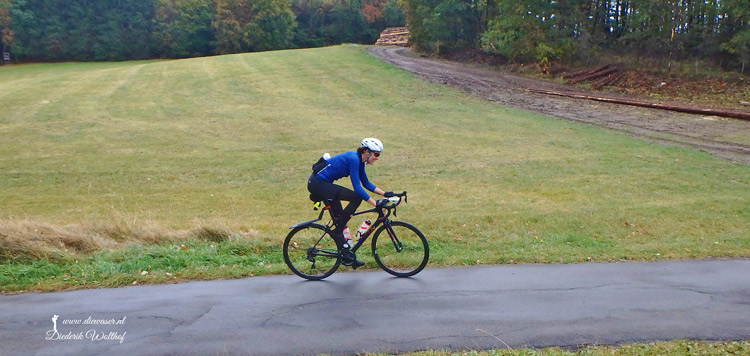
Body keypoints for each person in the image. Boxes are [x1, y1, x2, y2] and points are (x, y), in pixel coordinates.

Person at [307, 138, 394, 267]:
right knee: (356, 198)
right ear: (366, 151)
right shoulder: (354, 159)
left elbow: (366, 183)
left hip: (323, 184)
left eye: (378, 155)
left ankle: (347, 256)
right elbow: (357, 188)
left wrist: (385, 193)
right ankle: (339, 231)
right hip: (318, 184)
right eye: (376, 154)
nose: (377, 158)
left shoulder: (360, 161)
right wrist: (375, 204)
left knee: (340, 221)